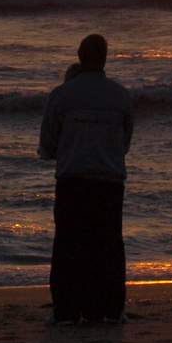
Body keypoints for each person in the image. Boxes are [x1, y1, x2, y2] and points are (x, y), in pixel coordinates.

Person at [38, 33, 133, 324]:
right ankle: (109, 309)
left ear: (80, 56)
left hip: (73, 180)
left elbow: (47, 145)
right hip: (109, 181)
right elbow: (124, 143)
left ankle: (66, 311)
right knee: (108, 247)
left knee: (68, 247)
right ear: (105, 58)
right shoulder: (121, 95)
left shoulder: (61, 95)